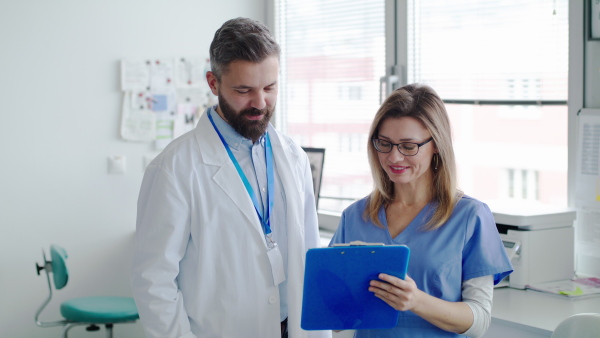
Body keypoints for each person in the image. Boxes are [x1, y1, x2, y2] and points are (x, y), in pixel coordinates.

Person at [131, 17, 331, 338]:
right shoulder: (174, 168)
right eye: (243, 90)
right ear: (213, 83)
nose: (260, 103)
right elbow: (153, 281)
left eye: (270, 88)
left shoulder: (292, 157)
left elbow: (309, 256)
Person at [329, 83, 513, 338]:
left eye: (408, 146)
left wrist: (416, 301)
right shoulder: (355, 216)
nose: (394, 157)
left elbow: (479, 320)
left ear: (436, 144)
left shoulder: (470, 216)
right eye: (385, 143)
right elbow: (335, 318)